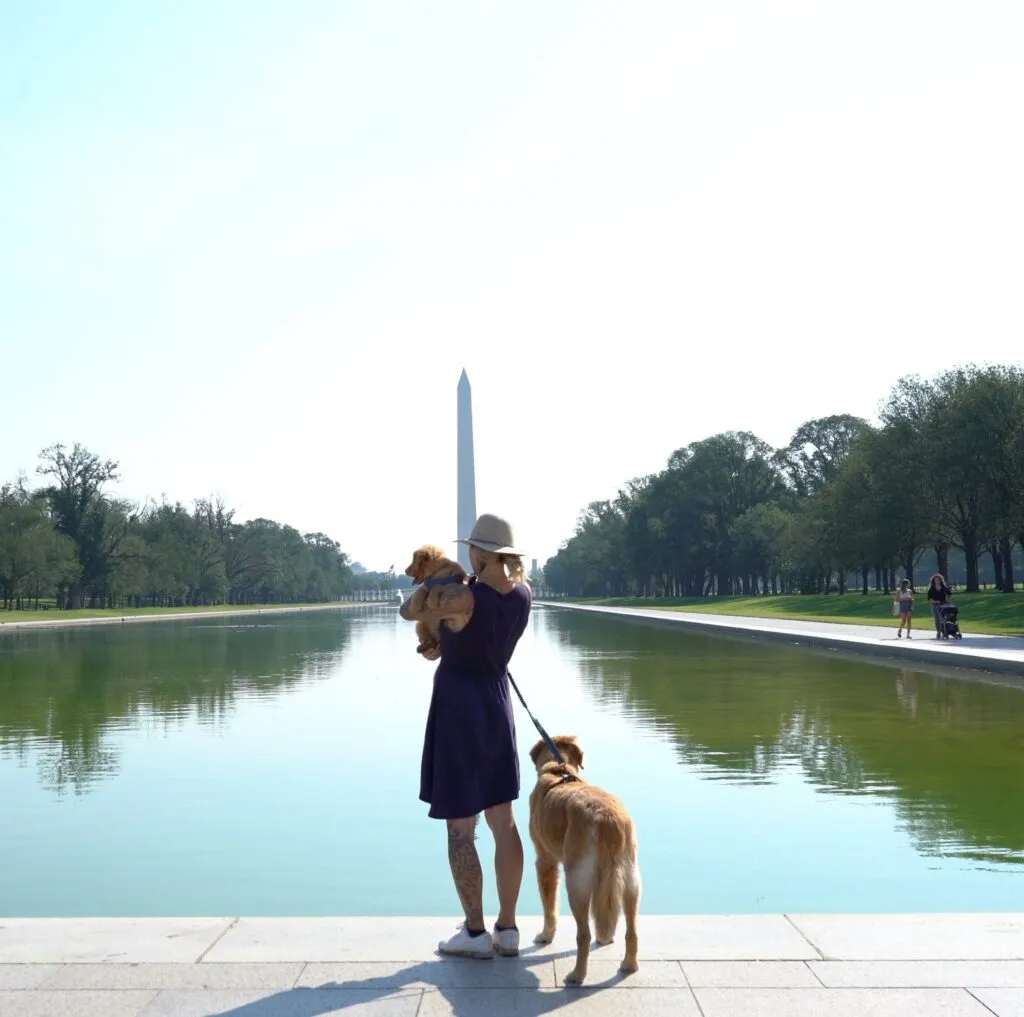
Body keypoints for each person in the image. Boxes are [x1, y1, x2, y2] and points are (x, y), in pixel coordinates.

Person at [399, 512, 532, 960]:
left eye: (472, 548)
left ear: (482, 552)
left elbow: (408, 610)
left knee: (461, 829)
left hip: (459, 710)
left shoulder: (464, 596)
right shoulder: (523, 596)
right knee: (503, 822)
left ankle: (474, 933)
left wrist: (430, 595)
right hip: (497, 706)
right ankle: (508, 928)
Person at [927, 573, 952, 638]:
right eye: (936, 580)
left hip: (944, 604)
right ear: (934, 581)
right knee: (937, 619)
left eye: (938, 579)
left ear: (941, 580)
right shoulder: (932, 588)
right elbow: (929, 599)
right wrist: (935, 601)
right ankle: (938, 631)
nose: (937, 581)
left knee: (943, 618)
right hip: (935, 605)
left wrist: (947, 599)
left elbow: (949, 593)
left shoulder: (943, 587)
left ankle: (944, 631)